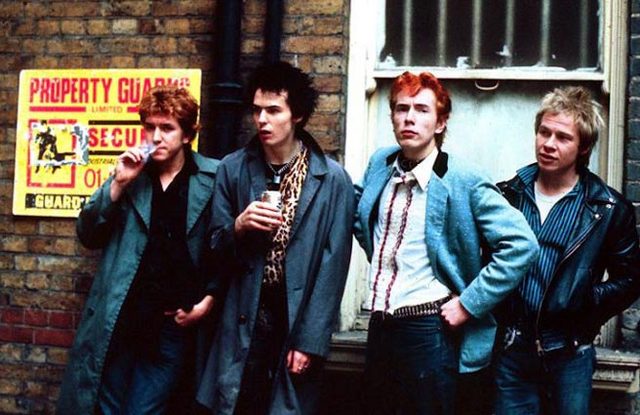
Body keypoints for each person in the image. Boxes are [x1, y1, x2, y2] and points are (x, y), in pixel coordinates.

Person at [353, 71, 539, 415]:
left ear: (440, 122)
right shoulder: (381, 164)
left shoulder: (463, 179)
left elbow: (521, 244)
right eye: (401, 108)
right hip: (380, 328)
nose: (409, 118)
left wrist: (469, 303)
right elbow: (360, 215)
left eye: (422, 110)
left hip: (428, 330)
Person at [196, 61, 355, 415]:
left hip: (294, 320)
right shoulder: (233, 168)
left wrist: (311, 341)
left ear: (296, 115)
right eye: (257, 111)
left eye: (273, 110)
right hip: (242, 316)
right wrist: (238, 226)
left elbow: (333, 268)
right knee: (237, 404)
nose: (262, 120)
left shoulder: (332, 179)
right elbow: (212, 248)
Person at [56, 85, 219, 414]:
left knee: (143, 409)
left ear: (187, 135)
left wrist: (208, 300)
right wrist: (118, 184)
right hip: (123, 318)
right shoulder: (131, 173)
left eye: (167, 128)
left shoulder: (212, 177)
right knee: (108, 407)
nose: (156, 137)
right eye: (149, 127)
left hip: (172, 323)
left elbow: (224, 248)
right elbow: (88, 234)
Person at [494, 86, 640, 415]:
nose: (548, 144)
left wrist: (585, 300)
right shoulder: (509, 195)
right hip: (513, 350)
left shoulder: (606, 208)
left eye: (563, 137)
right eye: (544, 132)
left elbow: (631, 280)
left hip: (570, 352)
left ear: (583, 147)